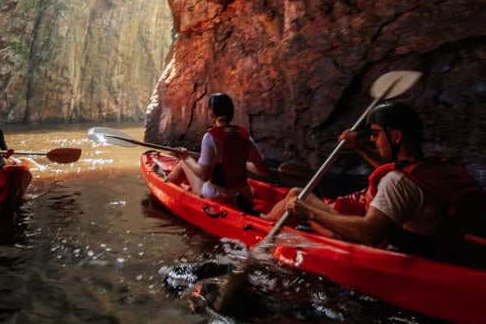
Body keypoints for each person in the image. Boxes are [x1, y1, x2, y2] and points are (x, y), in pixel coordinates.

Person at [266, 101, 485, 258]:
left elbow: (368, 234)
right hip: (429, 243)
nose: (372, 139)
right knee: (302, 196)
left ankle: (260, 224)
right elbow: (399, 174)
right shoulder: (433, 168)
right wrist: (359, 147)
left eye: (376, 133)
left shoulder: (397, 183)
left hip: (376, 241)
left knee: (295, 195)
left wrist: (308, 213)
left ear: (396, 136)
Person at [164, 92, 269, 207]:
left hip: (218, 195)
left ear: (211, 113)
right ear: (232, 114)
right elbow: (263, 171)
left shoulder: (210, 138)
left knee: (183, 163)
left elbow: (203, 175)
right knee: (200, 163)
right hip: (244, 194)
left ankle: (165, 186)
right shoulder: (245, 137)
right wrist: (239, 161)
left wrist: (186, 157)